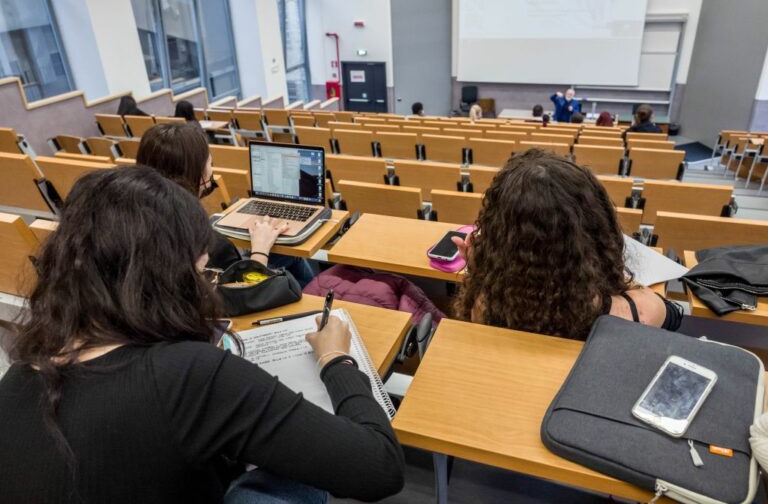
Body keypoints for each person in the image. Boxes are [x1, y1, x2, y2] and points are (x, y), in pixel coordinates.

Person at [0, 166, 405, 503]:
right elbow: (380, 467)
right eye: (202, 271)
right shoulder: (189, 374)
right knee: (292, 474)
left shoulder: (18, 377)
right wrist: (337, 359)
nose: (206, 285)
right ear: (166, 277)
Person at [452, 149, 682, 340]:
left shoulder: (485, 306)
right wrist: (612, 272)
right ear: (596, 229)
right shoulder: (634, 311)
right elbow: (670, 315)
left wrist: (479, 270)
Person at [136, 123, 315, 286]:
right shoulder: (206, 243)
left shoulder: (132, 221)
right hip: (232, 302)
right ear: (197, 173)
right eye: (209, 162)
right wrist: (260, 249)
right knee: (289, 256)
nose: (212, 168)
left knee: (288, 256)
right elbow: (244, 297)